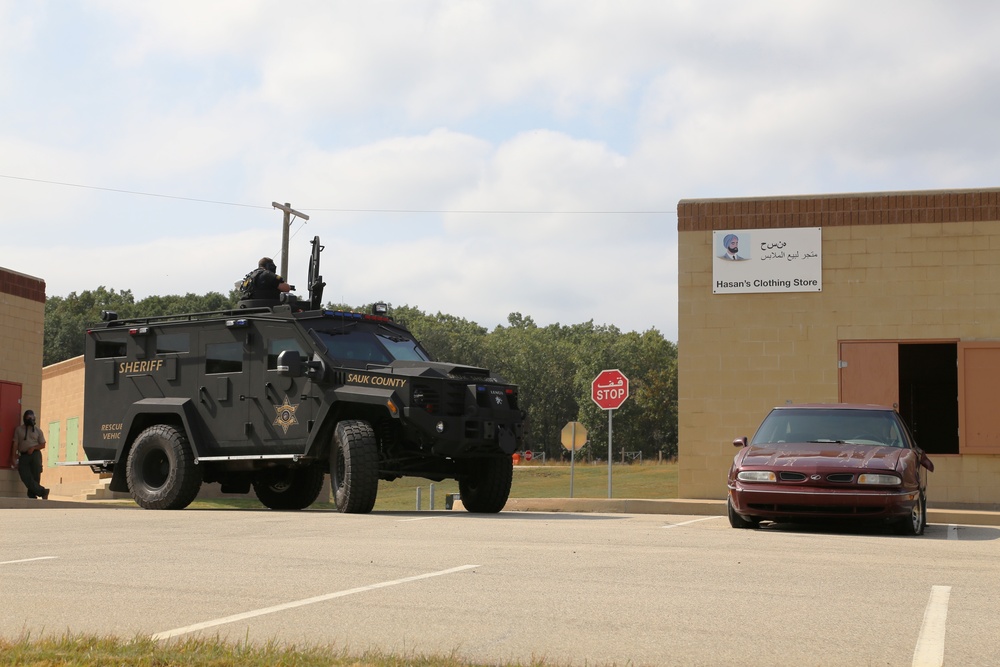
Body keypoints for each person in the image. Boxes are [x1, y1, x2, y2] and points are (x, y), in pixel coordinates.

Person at [11, 409, 50, 500]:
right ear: (25, 418)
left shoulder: (38, 431)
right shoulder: (19, 430)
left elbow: (43, 444)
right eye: (28, 418)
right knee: (25, 475)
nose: (31, 420)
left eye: (32, 418)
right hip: (24, 455)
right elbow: (15, 444)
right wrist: (13, 457)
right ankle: (43, 492)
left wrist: (34, 448)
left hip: (35, 455)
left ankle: (32, 496)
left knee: (36, 476)